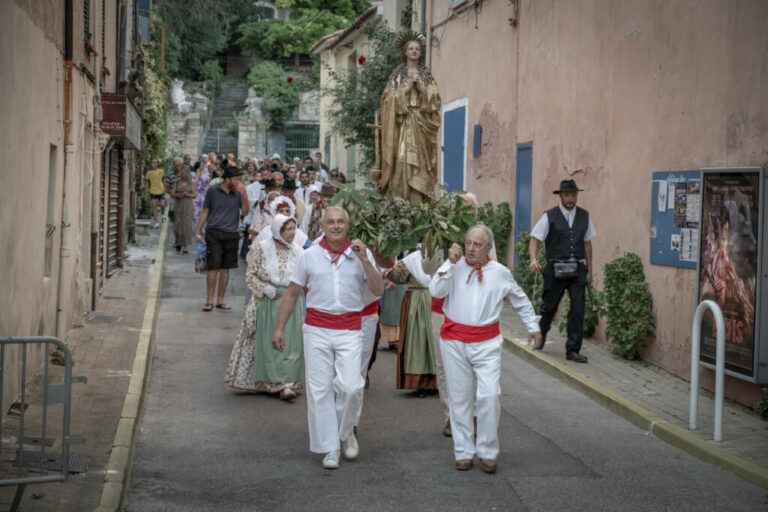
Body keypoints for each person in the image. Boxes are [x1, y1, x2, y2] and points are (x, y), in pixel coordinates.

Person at [271, 206, 384, 470]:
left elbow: (378, 290)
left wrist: (366, 260)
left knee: (351, 386)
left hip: (349, 328)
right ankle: (330, 447)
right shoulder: (309, 256)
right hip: (317, 329)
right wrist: (279, 328)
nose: (335, 226)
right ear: (321, 226)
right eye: (330, 222)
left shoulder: (359, 254)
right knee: (319, 390)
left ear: (348, 225)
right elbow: (292, 293)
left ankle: (346, 433)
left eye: (340, 222)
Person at [430, 226, 542, 473]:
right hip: (454, 341)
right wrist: (448, 265)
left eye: (476, 244)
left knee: (489, 395)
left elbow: (520, 299)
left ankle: (488, 451)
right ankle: (463, 452)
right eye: (468, 243)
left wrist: (533, 326)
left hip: (487, 342)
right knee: (460, 399)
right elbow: (435, 291)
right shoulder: (453, 268)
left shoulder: (500, 273)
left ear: (488, 248)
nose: (470, 248)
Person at [225, 214, 305, 398]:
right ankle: (272, 382)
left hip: (292, 303)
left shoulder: (299, 251)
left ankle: (287, 383)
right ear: (278, 230)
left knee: (291, 344)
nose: (292, 233)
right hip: (269, 303)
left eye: (294, 228)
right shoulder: (262, 249)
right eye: (288, 229)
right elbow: (250, 275)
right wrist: (265, 288)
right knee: (270, 344)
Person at [528, 179, 596, 363]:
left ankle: (573, 350)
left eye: (574, 195)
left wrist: (589, 270)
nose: (571, 198)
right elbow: (535, 239)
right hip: (554, 268)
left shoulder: (584, 216)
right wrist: (534, 259)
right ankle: (540, 336)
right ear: (561, 196)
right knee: (548, 307)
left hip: (577, 269)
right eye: (567, 195)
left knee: (578, 308)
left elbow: (587, 243)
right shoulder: (549, 216)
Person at [380, 31, 441, 203]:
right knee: (401, 159)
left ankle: (420, 202)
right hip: (403, 124)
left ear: (420, 53)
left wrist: (422, 89)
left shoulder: (427, 76)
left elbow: (436, 99)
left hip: (421, 122)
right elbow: (387, 99)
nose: (414, 51)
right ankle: (401, 200)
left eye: (417, 49)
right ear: (405, 52)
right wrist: (405, 90)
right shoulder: (397, 75)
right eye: (411, 48)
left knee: (422, 162)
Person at [195, 166, 250, 312]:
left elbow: (245, 211)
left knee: (226, 269)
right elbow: (205, 210)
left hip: (231, 234)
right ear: (228, 179)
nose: (239, 182)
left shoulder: (238, 193)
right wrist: (198, 231)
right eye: (237, 179)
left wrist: (244, 196)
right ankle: (209, 300)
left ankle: (220, 300)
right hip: (214, 232)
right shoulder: (213, 190)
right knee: (213, 267)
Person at [240, 171, 265, 259]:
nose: (261, 177)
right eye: (259, 175)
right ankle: (245, 253)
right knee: (249, 233)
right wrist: (256, 201)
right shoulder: (251, 187)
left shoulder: (267, 185)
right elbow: (249, 200)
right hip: (252, 213)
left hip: (262, 214)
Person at [171, 168, 196, 254]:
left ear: (186, 175)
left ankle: (185, 247)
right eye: (180, 174)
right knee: (178, 224)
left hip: (188, 206)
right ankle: (178, 241)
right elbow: (172, 194)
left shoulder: (191, 183)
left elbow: (194, 195)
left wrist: (187, 194)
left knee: (187, 225)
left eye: (183, 174)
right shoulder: (177, 182)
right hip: (178, 205)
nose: (181, 176)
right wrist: (177, 194)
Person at [145, 158, 166, 228]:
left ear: (157, 164)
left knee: (162, 205)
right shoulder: (149, 172)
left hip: (161, 190)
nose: (154, 164)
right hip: (152, 191)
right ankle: (156, 223)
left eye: (155, 162)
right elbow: (147, 183)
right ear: (151, 164)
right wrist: (146, 192)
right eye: (152, 162)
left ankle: (163, 215)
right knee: (154, 207)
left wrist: (165, 187)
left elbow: (164, 179)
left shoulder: (161, 171)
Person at [194, 159, 212, 225]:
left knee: (203, 211)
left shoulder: (205, 175)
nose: (203, 166)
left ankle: (201, 226)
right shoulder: (192, 174)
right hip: (195, 196)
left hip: (203, 196)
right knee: (195, 213)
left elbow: (207, 185)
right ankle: (197, 227)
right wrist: (197, 175)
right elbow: (193, 184)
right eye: (201, 165)